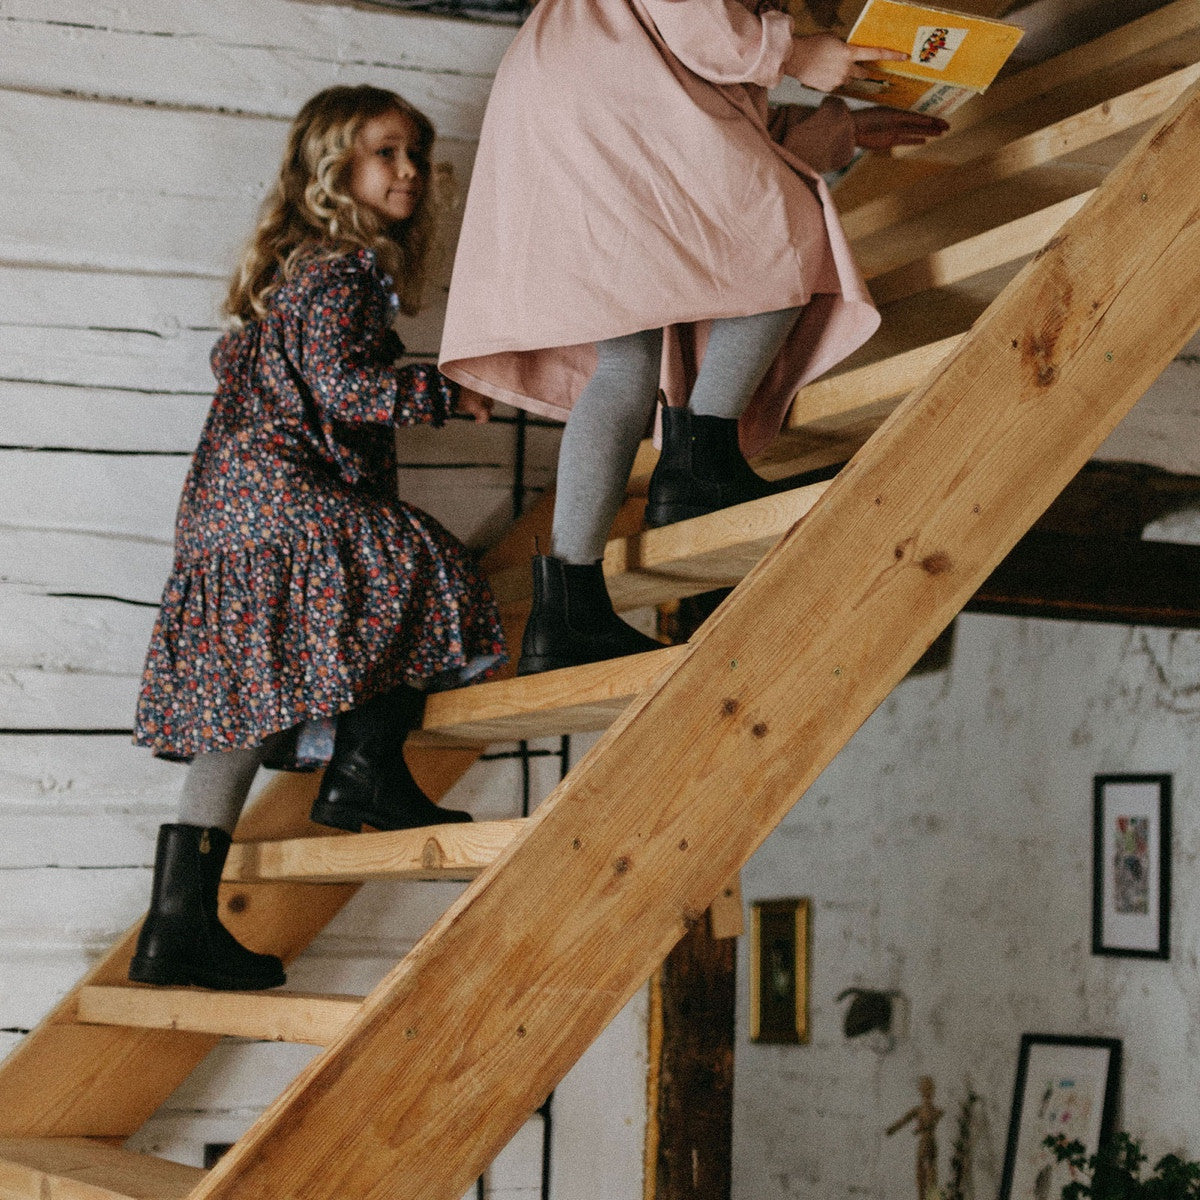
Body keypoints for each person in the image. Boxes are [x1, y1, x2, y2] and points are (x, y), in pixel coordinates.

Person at [440, 0, 948, 676]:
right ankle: (700, 460)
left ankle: (567, 611)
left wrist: (844, 129)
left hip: (591, 86)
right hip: (607, 87)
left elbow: (724, 112)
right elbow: (698, 27)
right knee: (777, 227)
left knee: (625, 356)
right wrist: (795, 53)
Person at [129, 85, 506, 991]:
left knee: (243, 711)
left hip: (228, 515)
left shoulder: (292, 272)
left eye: (416, 153)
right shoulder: (340, 271)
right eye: (387, 153)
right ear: (334, 166)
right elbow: (344, 390)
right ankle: (366, 770)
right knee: (419, 566)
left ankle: (174, 927)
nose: (410, 170)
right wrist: (442, 393)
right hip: (279, 498)